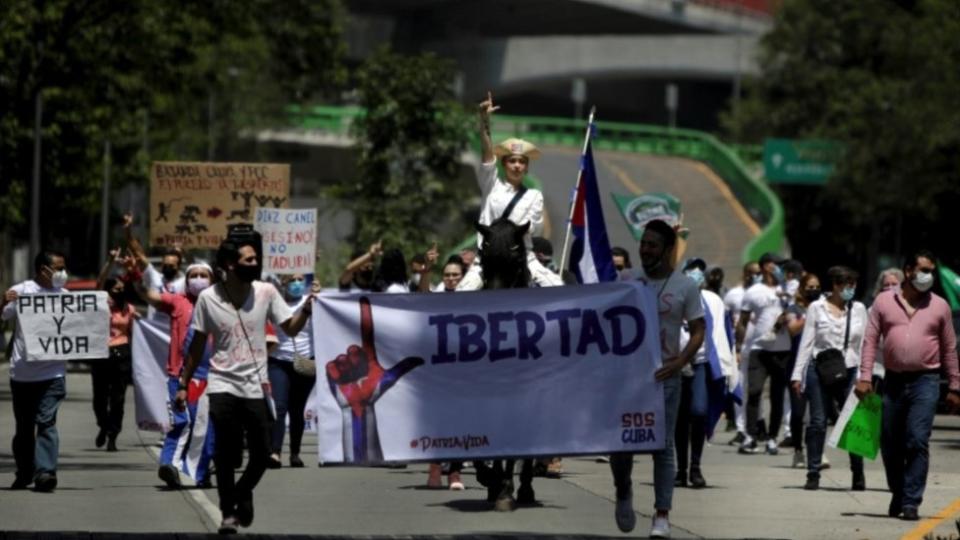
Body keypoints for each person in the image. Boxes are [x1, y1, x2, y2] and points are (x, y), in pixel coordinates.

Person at [177, 233, 314, 534]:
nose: (255, 263)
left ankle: (243, 491)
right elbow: (197, 345)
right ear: (229, 264)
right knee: (225, 453)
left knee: (263, 452)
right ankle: (228, 511)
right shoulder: (208, 299)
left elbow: (290, 329)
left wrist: (305, 310)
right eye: (248, 259)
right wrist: (183, 383)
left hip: (256, 385)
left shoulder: (266, 292)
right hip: (222, 383)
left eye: (256, 258)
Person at [611, 219, 705, 539]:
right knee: (621, 444)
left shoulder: (685, 286)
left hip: (665, 378)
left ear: (667, 249)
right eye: (643, 243)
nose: (646, 249)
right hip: (628, 379)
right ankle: (623, 489)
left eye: (653, 244)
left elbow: (698, 331)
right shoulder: (626, 279)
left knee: (662, 448)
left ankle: (661, 514)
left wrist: (680, 362)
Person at [855, 250, 960, 521]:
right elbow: (869, 342)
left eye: (931, 271)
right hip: (892, 381)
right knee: (890, 444)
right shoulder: (883, 302)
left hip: (926, 381)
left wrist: (955, 386)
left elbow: (949, 348)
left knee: (916, 440)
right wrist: (865, 377)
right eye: (924, 270)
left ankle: (911, 501)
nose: (929, 276)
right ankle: (898, 492)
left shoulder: (940, 306)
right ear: (909, 270)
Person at [458, 92, 563, 291]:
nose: (516, 165)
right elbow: (487, 154)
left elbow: (535, 230)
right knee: (458, 296)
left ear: (527, 167)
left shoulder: (534, 196)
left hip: (523, 257)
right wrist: (484, 121)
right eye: (512, 161)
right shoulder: (491, 186)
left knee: (557, 287)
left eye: (522, 162)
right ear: (504, 165)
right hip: (486, 258)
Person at [131, 257, 217, 488]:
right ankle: (168, 465)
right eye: (193, 275)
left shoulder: (222, 305)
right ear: (186, 280)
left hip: (213, 378)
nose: (198, 279)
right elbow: (149, 296)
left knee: (207, 429)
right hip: (180, 376)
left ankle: (201, 471)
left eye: (203, 275)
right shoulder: (178, 302)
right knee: (181, 422)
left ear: (212, 280)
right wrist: (136, 278)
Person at [790, 267, 867, 491]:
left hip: (850, 369)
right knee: (817, 421)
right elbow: (807, 341)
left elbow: (864, 344)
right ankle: (813, 471)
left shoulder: (859, 308)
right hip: (819, 368)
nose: (850, 290)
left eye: (853, 285)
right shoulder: (817, 307)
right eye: (846, 285)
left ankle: (858, 471)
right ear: (835, 285)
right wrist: (798, 374)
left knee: (853, 422)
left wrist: (864, 374)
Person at [2, 250, 70, 492]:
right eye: (59, 267)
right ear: (44, 269)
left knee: (47, 422)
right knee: (24, 429)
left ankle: (45, 473)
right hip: (22, 374)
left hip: (53, 374)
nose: (63, 272)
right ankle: (25, 471)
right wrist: (3, 300)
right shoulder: (22, 291)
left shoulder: (65, 296)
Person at [674, 257, 729, 490]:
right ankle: (681, 469)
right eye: (691, 270)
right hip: (675, 365)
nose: (696, 274)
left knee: (698, 411)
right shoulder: (673, 297)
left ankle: (696, 466)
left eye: (700, 271)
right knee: (679, 418)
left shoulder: (713, 300)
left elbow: (722, 332)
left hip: (700, 363)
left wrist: (726, 365)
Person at [736, 252, 791, 455]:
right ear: (767, 266)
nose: (780, 269)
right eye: (777, 265)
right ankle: (751, 436)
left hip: (781, 350)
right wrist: (739, 347)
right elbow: (742, 321)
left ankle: (772, 438)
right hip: (758, 349)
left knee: (777, 396)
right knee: (755, 391)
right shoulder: (753, 292)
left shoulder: (787, 288)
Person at [267, 273, 318, 469]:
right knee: (279, 407)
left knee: (297, 410)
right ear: (282, 282)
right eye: (291, 280)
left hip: (305, 361)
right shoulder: (273, 301)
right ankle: (275, 451)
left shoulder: (311, 300)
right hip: (278, 361)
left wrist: (318, 297)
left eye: (300, 279)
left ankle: (295, 453)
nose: (296, 283)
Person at [91, 268, 137, 452]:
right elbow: (99, 283)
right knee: (99, 398)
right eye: (116, 288)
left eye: (122, 288)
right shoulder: (101, 304)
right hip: (101, 353)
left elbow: (135, 334)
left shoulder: (129, 309)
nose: (120, 291)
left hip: (122, 354)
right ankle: (103, 424)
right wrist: (110, 262)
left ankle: (113, 435)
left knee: (118, 399)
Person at [783, 272, 821, 469]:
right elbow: (792, 329)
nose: (813, 290)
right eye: (810, 287)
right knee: (798, 414)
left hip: (817, 366)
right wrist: (812, 316)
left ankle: (817, 452)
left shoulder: (824, 307)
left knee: (817, 415)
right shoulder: (794, 308)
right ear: (802, 289)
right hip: (796, 366)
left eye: (817, 287)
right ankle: (798, 450)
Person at [723, 261, 761, 444]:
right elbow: (725, 320)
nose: (756, 275)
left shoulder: (765, 293)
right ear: (746, 274)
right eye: (753, 273)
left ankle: (756, 426)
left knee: (755, 389)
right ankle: (740, 428)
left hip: (760, 348)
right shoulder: (734, 295)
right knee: (738, 387)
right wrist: (734, 347)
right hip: (740, 348)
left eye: (759, 272)